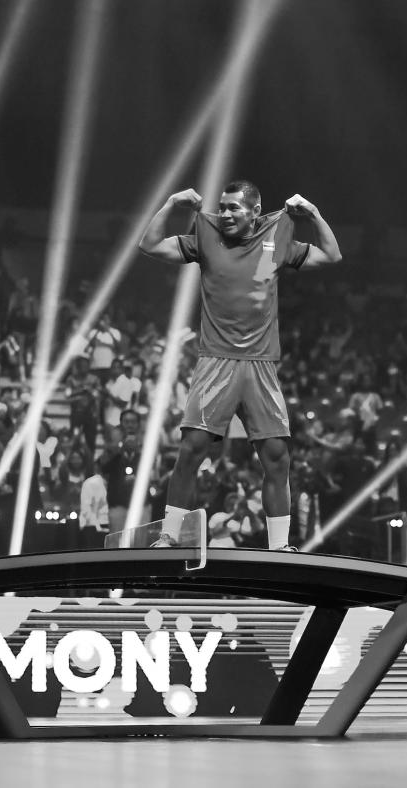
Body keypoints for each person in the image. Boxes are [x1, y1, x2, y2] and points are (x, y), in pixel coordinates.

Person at [139, 181, 342, 550]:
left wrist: (313, 213)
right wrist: (170, 202)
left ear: (254, 211)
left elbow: (332, 256)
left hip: (261, 364)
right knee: (191, 449)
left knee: (277, 458)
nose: (226, 214)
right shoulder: (207, 235)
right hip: (216, 361)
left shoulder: (276, 238)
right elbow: (149, 245)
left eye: (234, 208)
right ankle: (169, 534)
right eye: (223, 207)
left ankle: (279, 547)